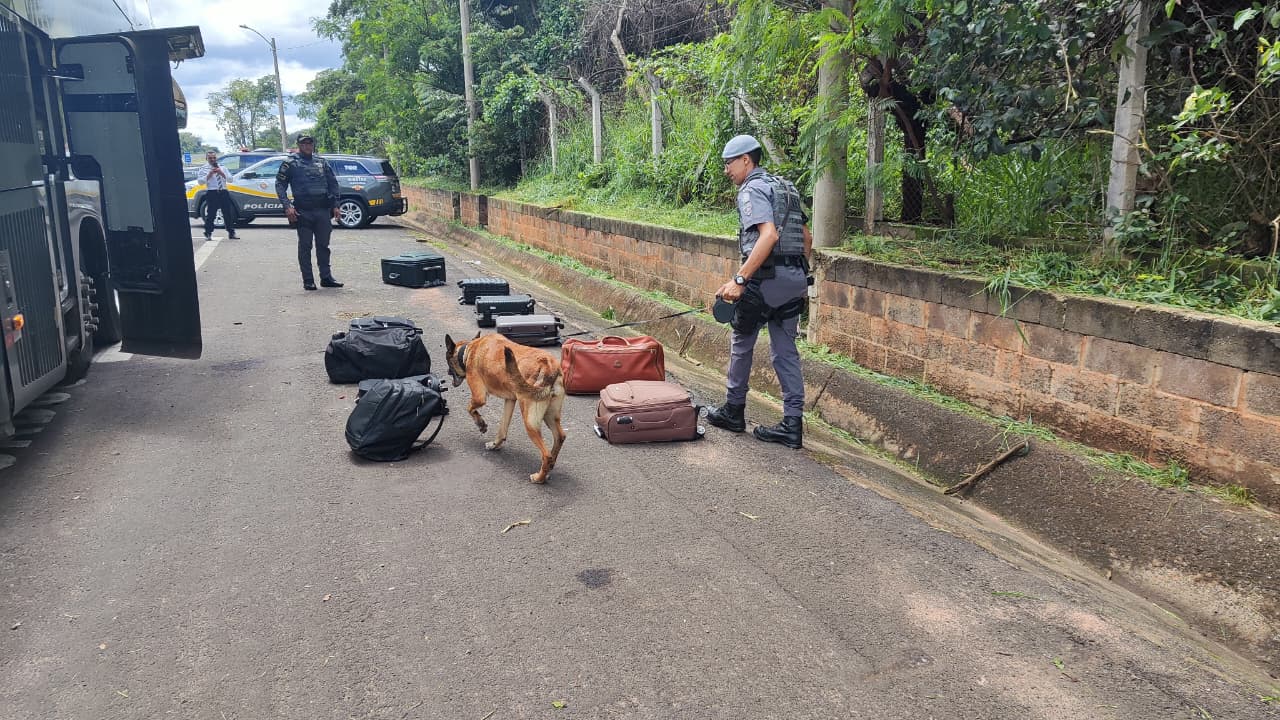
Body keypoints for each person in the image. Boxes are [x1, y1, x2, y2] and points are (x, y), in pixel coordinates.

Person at [706, 134, 812, 449]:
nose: (727, 170)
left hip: (766, 281)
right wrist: (798, 277)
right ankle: (792, 425)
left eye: (729, 163)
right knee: (785, 351)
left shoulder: (751, 190)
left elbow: (768, 236)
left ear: (746, 161)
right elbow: (806, 238)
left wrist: (739, 280)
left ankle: (733, 411)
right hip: (795, 280)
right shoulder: (786, 188)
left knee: (742, 340)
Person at [275, 133, 343, 291]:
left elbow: (333, 184)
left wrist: (336, 205)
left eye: (309, 143)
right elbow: (280, 184)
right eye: (304, 144)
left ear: (313, 145)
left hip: (322, 210)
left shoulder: (322, 162)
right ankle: (308, 280)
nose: (307, 146)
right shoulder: (290, 163)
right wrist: (287, 206)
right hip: (303, 211)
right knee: (305, 246)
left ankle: (326, 277)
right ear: (299, 145)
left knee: (323, 246)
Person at [197, 151, 238, 240]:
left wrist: (221, 173)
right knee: (211, 213)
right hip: (212, 192)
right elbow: (200, 182)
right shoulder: (203, 169)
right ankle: (208, 233)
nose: (212, 160)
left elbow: (230, 179)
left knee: (227, 213)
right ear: (206, 159)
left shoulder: (222, 167)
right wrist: (209, 174)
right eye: (210, 158)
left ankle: (231, 232)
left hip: (223, 191)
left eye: (214, 158)